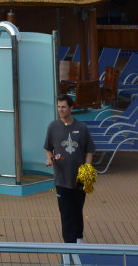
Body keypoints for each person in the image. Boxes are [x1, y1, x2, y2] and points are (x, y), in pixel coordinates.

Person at [44, 94, 95, 243]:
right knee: (65, 213)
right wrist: (49, 158)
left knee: (77, 211)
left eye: (63, 107)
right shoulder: (53, 127)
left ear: (71, 108)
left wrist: (87, 169)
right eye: (59, 107)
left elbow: (89, 151)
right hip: (61, 180)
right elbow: (48, 148)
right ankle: (68, 244)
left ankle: (79, 239)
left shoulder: (81, 127)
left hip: (79, 180)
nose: (60, 110)